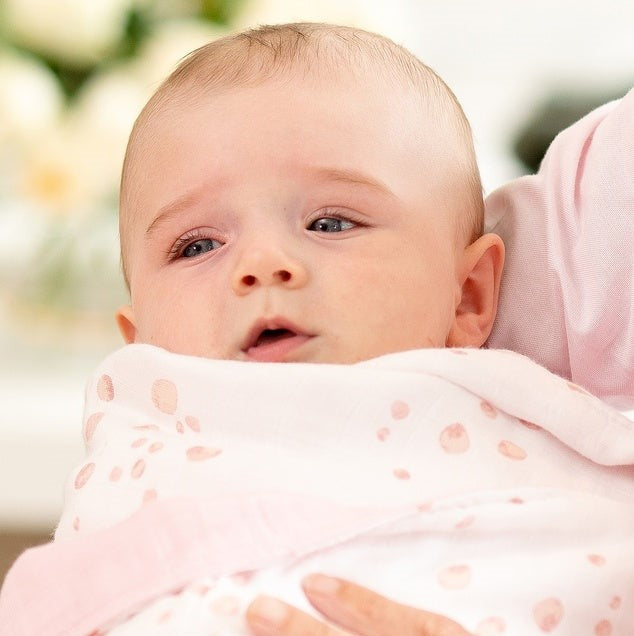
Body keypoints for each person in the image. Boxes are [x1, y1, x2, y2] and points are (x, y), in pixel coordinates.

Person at [0, 23, 632, 636]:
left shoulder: (524, 412)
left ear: (468, 296)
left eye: (330, 224)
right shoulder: (143, 451)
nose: (260, 265)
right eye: (195, 246)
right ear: (137, 345)